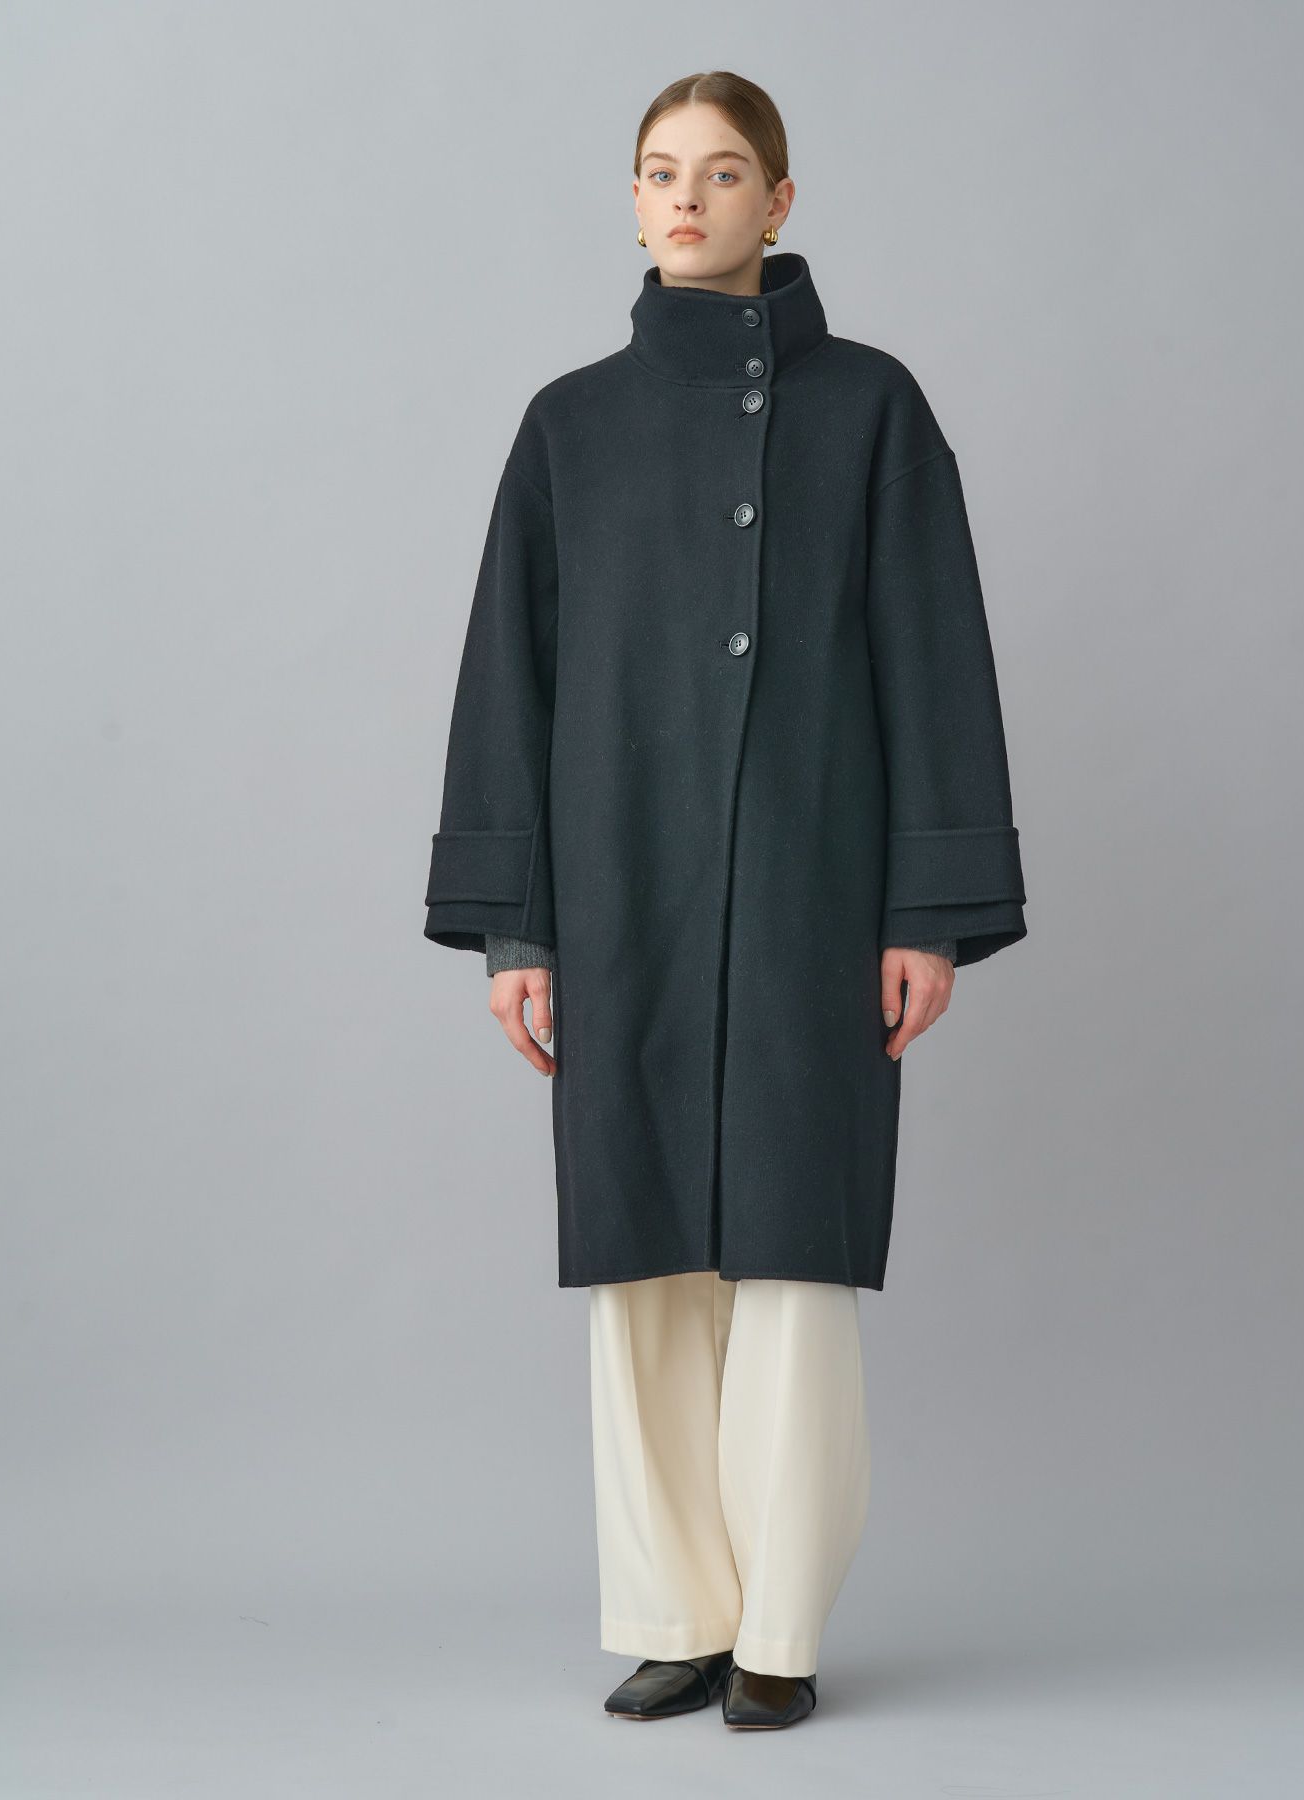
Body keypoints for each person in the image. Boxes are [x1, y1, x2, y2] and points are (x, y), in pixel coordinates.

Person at [422, 71, 1028, 1730]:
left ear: (780, 199)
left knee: (791, 1250)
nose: (687, 198)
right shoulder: (569, 426)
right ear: (633, 204)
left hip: (818, 884)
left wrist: (925, 912)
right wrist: (520, 928)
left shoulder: (875, 408)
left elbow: (935, 660)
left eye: (723, 172)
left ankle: (780, 1630)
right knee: (640, 1262)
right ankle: (675, 1613)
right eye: (659, 173)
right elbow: (509, 683)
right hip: (620, 882)